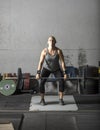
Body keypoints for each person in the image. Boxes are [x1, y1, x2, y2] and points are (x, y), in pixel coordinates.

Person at [36, 36, 67, 105]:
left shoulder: (59, 51)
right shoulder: (44, 51)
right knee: (41, 82)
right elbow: (40, 62)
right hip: (46, 68)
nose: (51, 42)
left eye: (53, 40)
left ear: (55, 42)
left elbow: (62, 62)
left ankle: (61, 99)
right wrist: (38, 73)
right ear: (47, 42)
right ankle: (42, 99)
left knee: (61, 81)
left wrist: (65, 73)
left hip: (56, 69)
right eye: (50, 40)